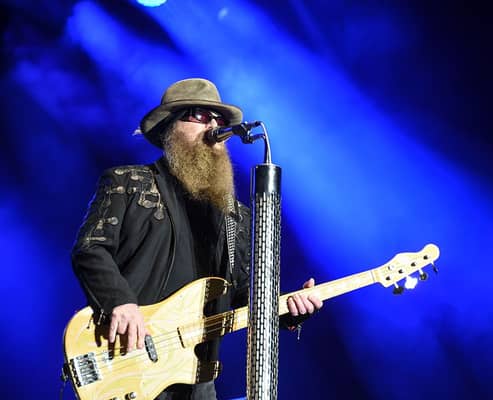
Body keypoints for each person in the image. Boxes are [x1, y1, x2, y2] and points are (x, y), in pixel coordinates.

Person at [71, 78, 322, 400]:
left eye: (219, 120)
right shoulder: (129, 183)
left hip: (195, 376)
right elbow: (91, 249)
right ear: (168, 129)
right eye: (199, 116)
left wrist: (289, 310)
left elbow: (244, 295)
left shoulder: (236, 216)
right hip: (126, 358)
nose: (214, 126)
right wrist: (120, 302)